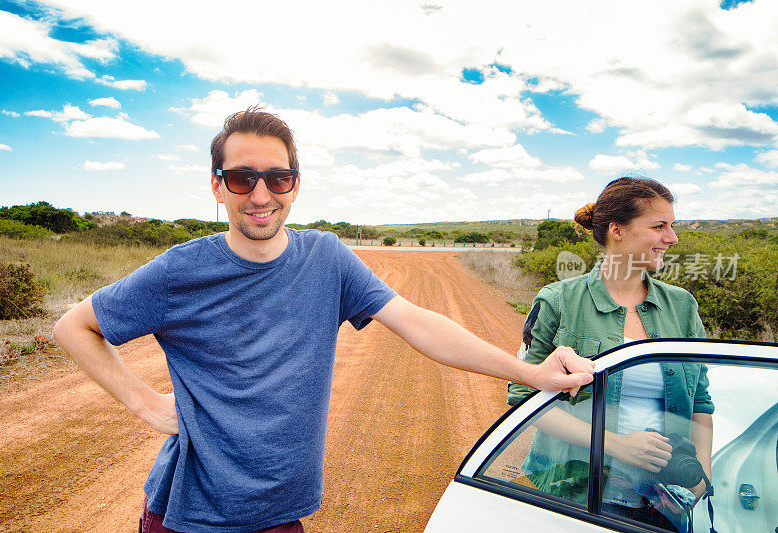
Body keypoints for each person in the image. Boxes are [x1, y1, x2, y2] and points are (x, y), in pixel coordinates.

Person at [53, 106, 595, 533]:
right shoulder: (180, 271)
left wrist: (530, 373)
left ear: (295, 183)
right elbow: (74, 327)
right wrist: (144, 402)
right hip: (190, 513)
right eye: (241, 179)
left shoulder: (326, 258)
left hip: (280, 510)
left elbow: (419, 322)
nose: (260, 195)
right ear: (217, 186)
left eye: (277, 178)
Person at [507, 177, 713, 530]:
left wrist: (701, 478)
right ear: (617, 230)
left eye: (672, 227)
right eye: (659, 226)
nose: (672, 238)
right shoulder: (558, 301)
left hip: (662, 500)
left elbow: (701, 404)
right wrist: (615, 445)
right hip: (571, 489)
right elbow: (524, 402)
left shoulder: (682, 306)